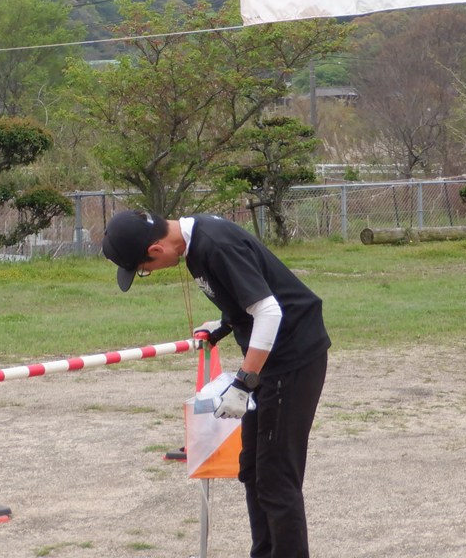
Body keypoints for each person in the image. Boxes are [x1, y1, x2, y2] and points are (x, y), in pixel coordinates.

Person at [101, 209, 330, 558]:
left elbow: (270, 312)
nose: (150, 272)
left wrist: (244, 382)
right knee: (252, 470)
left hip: (292, 359)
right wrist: (224, 325)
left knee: (276, 478)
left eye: (143, 269)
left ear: (156, 250)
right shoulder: (193, 244)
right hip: (270, 360)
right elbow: (244, 291)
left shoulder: (214, 245)